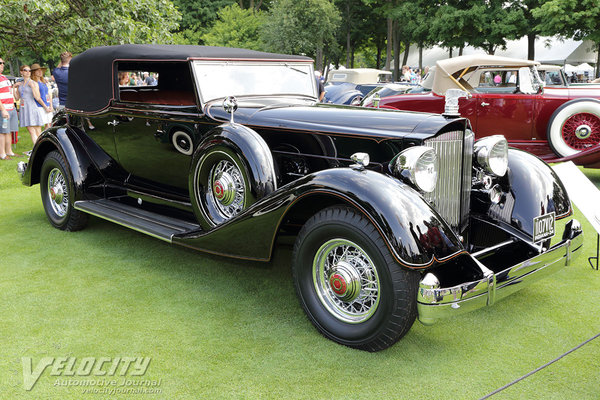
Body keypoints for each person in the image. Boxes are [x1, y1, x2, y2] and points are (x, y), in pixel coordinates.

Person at [13, 64, 49, 145]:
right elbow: (17, 98)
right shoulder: (20, 84)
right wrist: (14, 88)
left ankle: (39, 149)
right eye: (25, 70)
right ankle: (38, 149)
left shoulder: (33, 83)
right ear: (21, 72)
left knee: (37, 131)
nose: (28, 72)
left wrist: (46, 107)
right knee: (31, 131)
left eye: (29, 70)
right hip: (24, 109)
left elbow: (37, 97)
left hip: (32, 108)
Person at [0, 55, 20, 160]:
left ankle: (9, 151)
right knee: (3, 132)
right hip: (3, 110)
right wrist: (3, 110)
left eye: (3, 63)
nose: (2, 65)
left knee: (9, 131)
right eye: (0, 63)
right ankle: (2, 154)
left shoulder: (4, 77)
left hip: (11, 108)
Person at [31, 63, 53, 129]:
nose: (40, 72)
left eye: (41, 70)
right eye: (38, 70)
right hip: (40, 106)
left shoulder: (43, 81)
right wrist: (45, 106)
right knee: (40, 125)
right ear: (34, 72)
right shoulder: (34, 82)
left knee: (49, 123)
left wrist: (50, 105)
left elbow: (48, 94)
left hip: (47, 104)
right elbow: (37, 97)